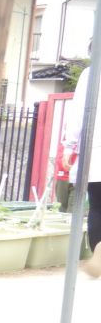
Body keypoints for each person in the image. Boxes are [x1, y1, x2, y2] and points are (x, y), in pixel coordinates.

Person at [61, 58, 101, 276]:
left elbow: (78, 113)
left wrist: (69, 146)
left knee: (97, 207)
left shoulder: (91, 74)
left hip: (95, 150)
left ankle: (99, 250)